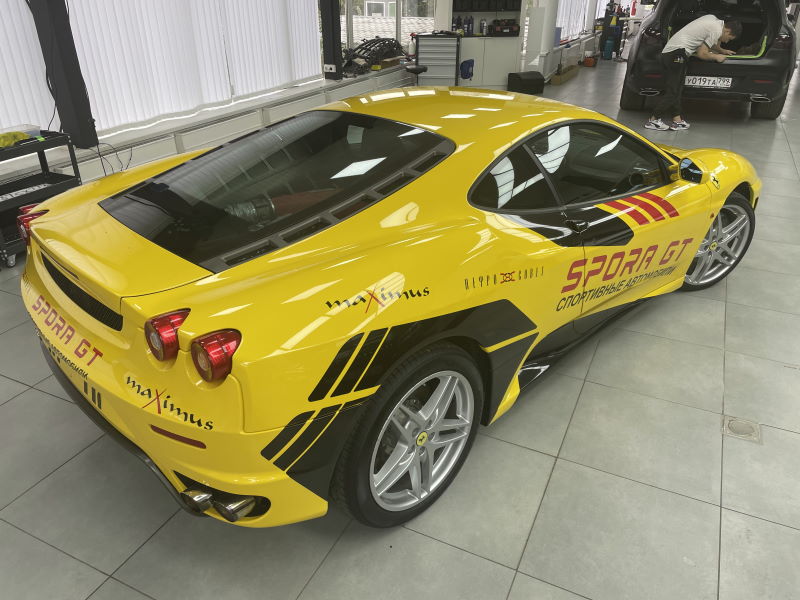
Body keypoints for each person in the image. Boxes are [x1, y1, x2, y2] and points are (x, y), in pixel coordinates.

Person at [645, 16, 742, 131]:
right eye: (729, 38)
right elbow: (702, 54)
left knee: (677, 89)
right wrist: (717, 57)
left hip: (671, 53)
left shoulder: (713, 20)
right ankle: (653, 120)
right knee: (673, 91)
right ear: (727, 31)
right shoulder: (716, 30)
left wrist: (722, 50)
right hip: (677, 54)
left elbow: (709, 41)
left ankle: (677, 121)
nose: (726, 41)